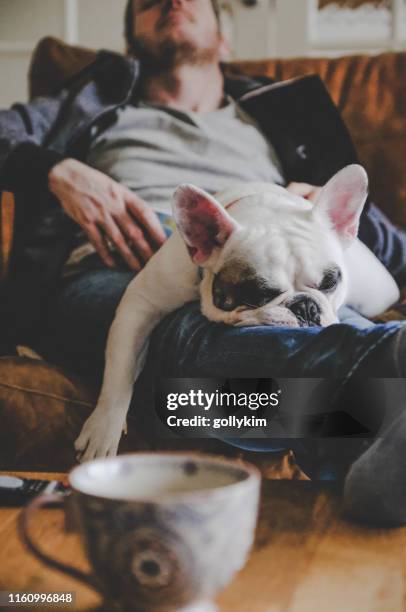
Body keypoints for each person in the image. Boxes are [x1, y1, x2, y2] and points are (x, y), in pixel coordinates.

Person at [1, 0, 406, 523]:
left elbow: (386, 248)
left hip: (276, 256)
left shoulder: (284, 115)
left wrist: (328, 216)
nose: (172, 2)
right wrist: (59, 170)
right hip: (110, 271)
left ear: (224, 37)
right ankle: (385, 373)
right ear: (132, 39)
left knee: (193, 397)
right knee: (192, 334)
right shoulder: (90, 104)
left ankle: (364, 447)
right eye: (150, 2)